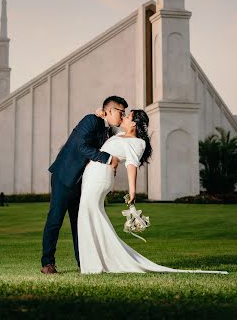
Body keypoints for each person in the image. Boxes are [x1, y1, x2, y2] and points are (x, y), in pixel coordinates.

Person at [78, 109, 228, 275]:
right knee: (91, 215)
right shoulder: (120, 135)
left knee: (89, 213)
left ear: (134, 123)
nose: (124, 117)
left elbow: (131, 166)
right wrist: (102, 115)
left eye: (127, 116)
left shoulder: (137, 142)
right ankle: (99, 260)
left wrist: (133, 191)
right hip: (92, 174)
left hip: (100, 177)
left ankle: (96, 263)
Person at [40, 95, 128, 274]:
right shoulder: (90, 120)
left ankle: (84, 263)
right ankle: (47, 263)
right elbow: (82, 146)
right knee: (55, 220)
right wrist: (109, 159)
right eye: (121, 112)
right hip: (64, 176)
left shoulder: (109, 132)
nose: (122, 116)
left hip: (84, 184)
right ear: (109, 110)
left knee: (79, 223)